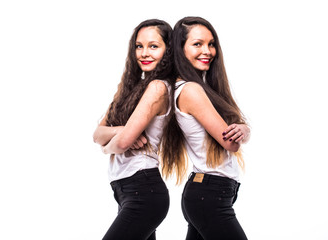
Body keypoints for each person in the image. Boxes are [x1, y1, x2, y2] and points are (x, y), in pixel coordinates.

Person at [161, 17, 250, 240]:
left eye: (211, 44)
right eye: (197, 44)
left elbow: (234, 133)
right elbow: (230, 141)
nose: (208, 51)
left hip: (208, 192)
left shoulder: (201, 88)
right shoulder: (190, 90)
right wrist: (243, 131)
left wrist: (244, 129)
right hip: (209, 194)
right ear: (180, 50)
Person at [93, 19, 174, 240]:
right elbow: (97, 135)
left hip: (143, 190)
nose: (144, 53)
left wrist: (107, 147)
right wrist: (122, 130)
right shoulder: (128, 88)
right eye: (139, 46)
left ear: (168, 50)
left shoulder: (158, 87)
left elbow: (120, 144)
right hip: (125, 190)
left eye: (153, 46)